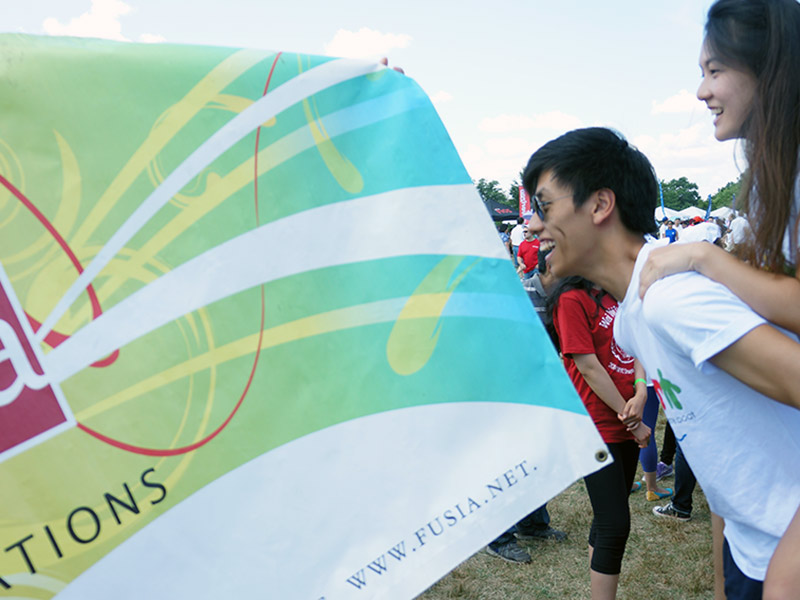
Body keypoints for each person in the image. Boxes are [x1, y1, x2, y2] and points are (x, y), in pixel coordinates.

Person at [523, 126, 800, 600]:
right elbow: (718, 443)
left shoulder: (671, 299)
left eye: (543, 207)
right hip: (750, 550)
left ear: (599, 205)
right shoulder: (635, 313)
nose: (531, 225)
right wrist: (725, 574)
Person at [638, 0, 800, 338]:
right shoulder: (770, 174)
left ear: (769, 69)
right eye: (702, 74)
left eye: (715, 71)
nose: (701, 92)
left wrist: (703, 257)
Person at [545, 274, 650, 600]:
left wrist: (642, 390)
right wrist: (632, 420)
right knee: (615, 524)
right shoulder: (571, 299)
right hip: (595, 426)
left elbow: (637, 345)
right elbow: (587, 365)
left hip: (627, 416)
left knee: (608, 516)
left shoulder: (615, 289)